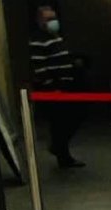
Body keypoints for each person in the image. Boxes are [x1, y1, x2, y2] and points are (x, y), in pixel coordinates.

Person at [29, 4, 85, 168]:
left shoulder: (56, 37)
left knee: (66, 120)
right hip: (53, 88)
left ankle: (61, 151)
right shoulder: (38, 40)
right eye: (48, 19)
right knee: (61, 121)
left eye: (54, 18)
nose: (53, 22)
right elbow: (39, 67)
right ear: (40, 21)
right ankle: (61, 152)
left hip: (65, 85)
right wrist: (51, 87)